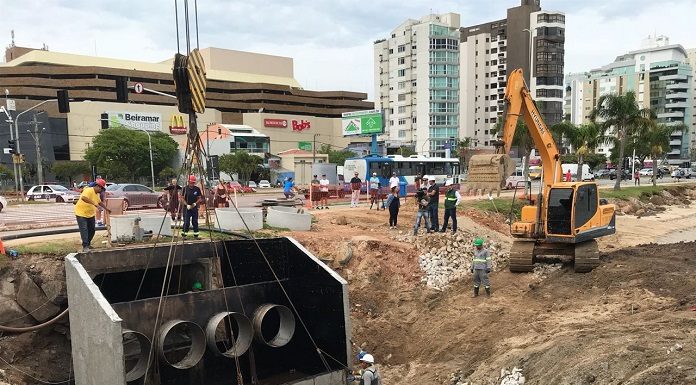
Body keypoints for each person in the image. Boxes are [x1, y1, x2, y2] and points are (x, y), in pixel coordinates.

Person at [74, 178, 110, 252]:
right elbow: (84, 198)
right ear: (97, 186)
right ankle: (85, 246)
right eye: (101, 189)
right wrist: (94, 204)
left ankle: (88, 244)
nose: (101, 190)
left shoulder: (97, 194)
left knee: (92, 230)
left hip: (90, 214)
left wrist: (106, 209)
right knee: (84, 230)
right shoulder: (89, 190)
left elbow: (99, 202)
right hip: (81, 213)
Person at [180, 175, 203, 239]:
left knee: (195, 221)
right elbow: (181, 198)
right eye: (191, 182)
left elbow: (199, 198)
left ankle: (196, 235)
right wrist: (186, 205)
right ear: (188, 182)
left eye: (193, 183)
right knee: (186, 222)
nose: (192, 184)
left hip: (194, 207)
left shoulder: (197, 189)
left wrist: (195, 204)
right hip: (187, 208)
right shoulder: (185, 189)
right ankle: (184, 235)